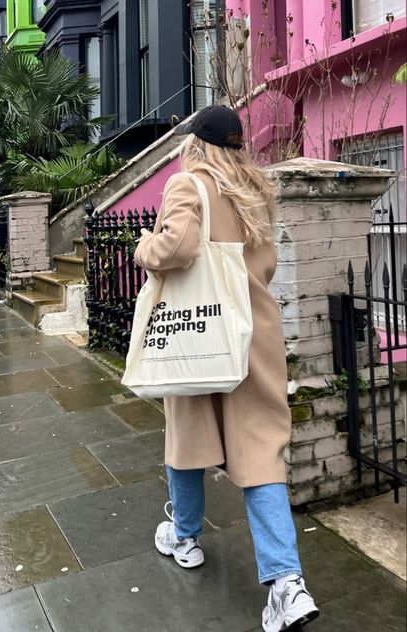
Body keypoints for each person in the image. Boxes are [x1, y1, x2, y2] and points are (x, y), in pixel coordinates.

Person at [134, 105, 319, 632]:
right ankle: (286, 584)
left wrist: (144, 246)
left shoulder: (188, 184)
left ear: (196, 143)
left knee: (187, 436)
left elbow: (177, 247)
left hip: (198, 329)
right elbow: (266, 264)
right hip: (254, 330)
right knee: (259, 446)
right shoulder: (256, 191)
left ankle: (185, 536)